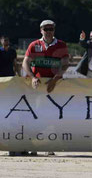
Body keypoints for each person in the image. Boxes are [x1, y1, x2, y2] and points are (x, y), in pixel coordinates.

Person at [22, 19, 70, 156]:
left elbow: (65, 64)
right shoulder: (34, 45)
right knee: (35, 116)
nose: (48, 32)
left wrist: (55, 79)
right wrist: (33, 77)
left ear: (54, 30)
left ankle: (50, 145)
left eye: (51, 29)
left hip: (53, 86)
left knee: (52, 116)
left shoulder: (61, 45)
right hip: (37, 87)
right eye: (46, 29)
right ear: (41, 30)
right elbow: (25, 63)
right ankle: (34, 146)